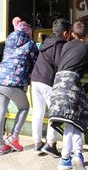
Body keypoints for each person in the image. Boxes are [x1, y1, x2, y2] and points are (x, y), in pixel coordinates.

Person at [49, 21, 88, 170]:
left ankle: (76, 154)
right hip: (71, 84)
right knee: (75, 119)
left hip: (57, 83)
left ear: (72, 34)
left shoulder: (65, 45)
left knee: (72, 121)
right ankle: (67, 157)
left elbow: (59, 63)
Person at [0, 17, 39, 155]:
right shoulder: (30, 44)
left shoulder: (9, 40)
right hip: (13, 82)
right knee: (24, 107)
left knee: (0, 111)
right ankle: (13, 137)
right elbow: (37, 61)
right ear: (28, 31)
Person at [30, 18, 71, 157]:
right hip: (47, 81)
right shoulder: (59, 45)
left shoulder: (46, 42)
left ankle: (37, 143)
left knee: (38, 113)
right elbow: (61, 65)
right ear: (65, 33)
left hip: (35, 79)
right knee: (54, 113)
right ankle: (51, 144)